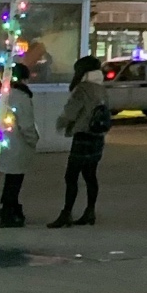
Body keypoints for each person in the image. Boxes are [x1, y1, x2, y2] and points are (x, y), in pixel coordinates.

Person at [50, 55, 109, 227]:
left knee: (71, 176)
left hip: (83, 136)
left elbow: (71, 112)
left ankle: (66, 213)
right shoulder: (101, 89)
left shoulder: (83, 89)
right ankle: (90, 212)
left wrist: (61, 124)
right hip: (97, 136)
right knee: (90, 175)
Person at [0, 62, 37, 227]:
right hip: (18, 145)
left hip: (1, 142)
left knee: (7, 180)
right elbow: (26, 125)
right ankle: (9, 212)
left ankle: (6, 210)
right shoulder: (22, 97)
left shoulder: (0, 95)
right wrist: (33, 140)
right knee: (14, 181)